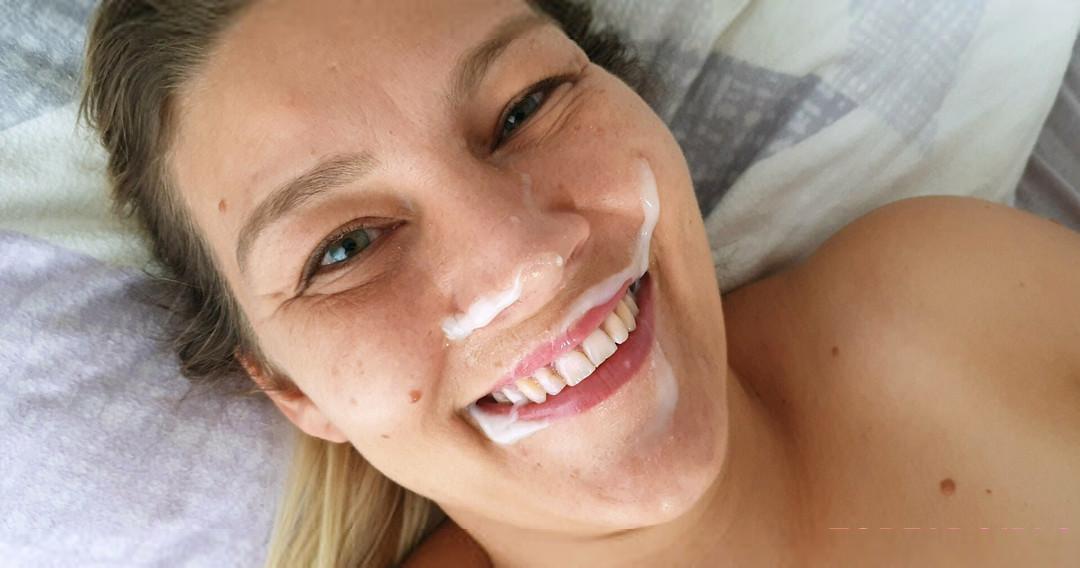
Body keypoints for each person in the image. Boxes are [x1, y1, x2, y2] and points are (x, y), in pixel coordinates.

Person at [81, 0, 1080, 566]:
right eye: (344, 248)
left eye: (526, 107)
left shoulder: (944, 299)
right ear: (292, 389)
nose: (520, 259)